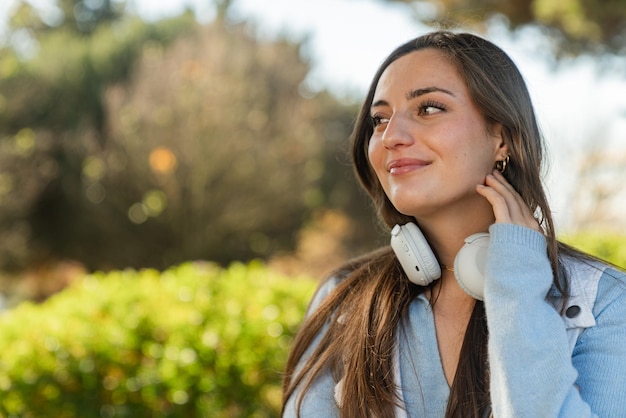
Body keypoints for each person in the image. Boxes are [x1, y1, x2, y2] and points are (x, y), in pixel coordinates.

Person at [281, 30, 626, 418]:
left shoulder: (603, 301)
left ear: (502, 137)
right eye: (379, 119)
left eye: (428, 108)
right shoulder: (343, 298)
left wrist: (518, 293)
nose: (391, 136)